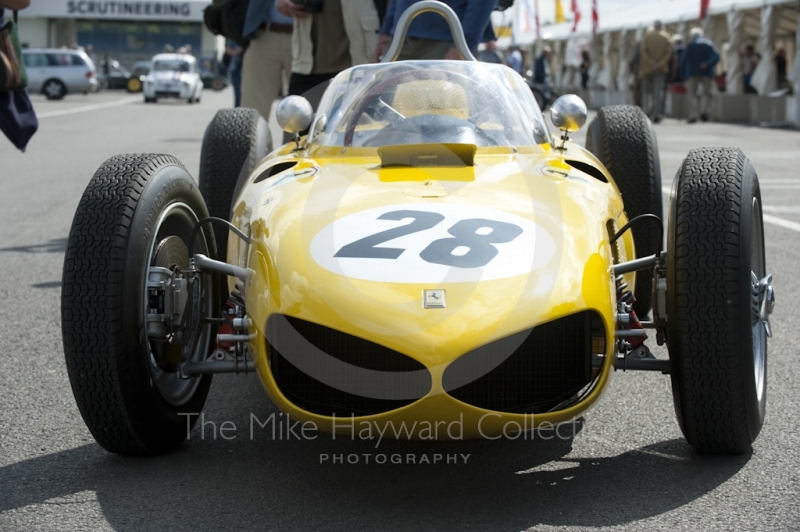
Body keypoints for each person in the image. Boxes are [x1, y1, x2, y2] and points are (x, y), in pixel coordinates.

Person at [276, 0, 379, 103]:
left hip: (355, 65)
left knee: (363, 117)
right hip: (306, 66)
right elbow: (282, 3)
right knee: (294, 115)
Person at [372, 0, 496, 62]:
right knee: (389, 106)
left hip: (446, 44)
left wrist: (464, 45)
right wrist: (385, 34)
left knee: (442, 108)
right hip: (398, 41)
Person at [241, 0, 294, 122]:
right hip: (263, 35)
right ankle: (254, 141)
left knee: (304, 108)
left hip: (306, 35)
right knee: (253, 111)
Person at [680, 27, 719, 123]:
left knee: (691, 94)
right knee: (706, 93)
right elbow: (716, 56)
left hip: (691, 73)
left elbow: (683, 60)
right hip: (706, 72)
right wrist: (707, 63)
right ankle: (704, 111)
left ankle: (693, 114)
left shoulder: (690, 45)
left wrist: (682, 74)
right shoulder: (708, 44)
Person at [638, 20, 672, 123]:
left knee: (646, 93)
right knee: (657, 93)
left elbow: (643, 52)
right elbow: (668, 53)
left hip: (646, 69)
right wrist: (659, 64)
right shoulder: (666, 37)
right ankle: (656, 114)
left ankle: (645, 114)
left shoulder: (647, 36)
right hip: (661, 69)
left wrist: (651, 63)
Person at [225, 39, 244, 107]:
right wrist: (237, 51)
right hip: (235, 68)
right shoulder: (230, 35)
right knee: (238, 94)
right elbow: (227, 49)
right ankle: (237, 111)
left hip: (246, 68)